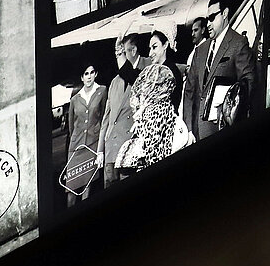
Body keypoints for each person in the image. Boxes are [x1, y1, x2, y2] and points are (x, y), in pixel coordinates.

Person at [185, 0, 255, 141]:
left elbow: (248, 84)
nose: (208, 23)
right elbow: (189, 91)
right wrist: (189, 130)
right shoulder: (200, 51)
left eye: (212, 18)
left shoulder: (238, 43)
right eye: (206, 19)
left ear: (225, 13)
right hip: (195, 135)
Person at [115, 31, 184, 172]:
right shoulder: (155, 72)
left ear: (165, 45)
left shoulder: (169, 72)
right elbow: (130, 74)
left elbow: (136, 78)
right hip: (153, 137)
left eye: (154, 47)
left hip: (163, 136)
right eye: (150, 48)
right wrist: (119, 51)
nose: (150, 52)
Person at [97, 36, 147, 187]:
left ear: (133, 51)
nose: (119, 56)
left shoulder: (143, 76)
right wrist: (100, 150)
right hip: (111, 148)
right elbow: (106, 119)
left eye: (122, 52)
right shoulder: (114, 82)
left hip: (129, 149)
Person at [64, 63, 107, 204]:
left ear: (96, 74)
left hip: (92, 145)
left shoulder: (102, 91)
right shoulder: (75, 99)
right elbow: (71, 126)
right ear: (82, 77)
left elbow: (104, 118)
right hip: (76, 148)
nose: (89, 76)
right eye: (86, 74)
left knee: (87, 186)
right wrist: (75, 140)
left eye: (92, 72)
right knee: (70, 189)